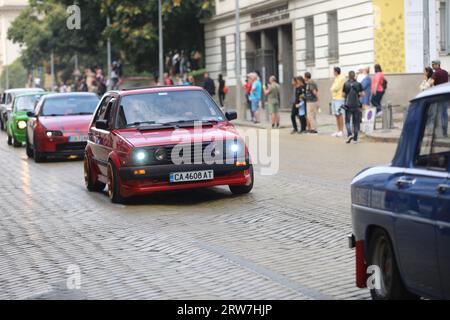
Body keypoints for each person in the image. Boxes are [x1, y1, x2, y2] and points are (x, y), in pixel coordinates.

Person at [343, 71, 364, 144]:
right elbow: (362, 94)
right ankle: (355, 139)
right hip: (356, 105)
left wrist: (347, 95)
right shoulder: (358, 84)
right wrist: (357, 94)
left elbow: (343, 95)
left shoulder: (345, 84)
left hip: (348, 105)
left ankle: (349, 134)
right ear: (354, 76)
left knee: (347, 121)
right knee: (356, 122)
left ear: (348, 76)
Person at [330, 67, 346, 137]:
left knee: (339, 114)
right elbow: (333, 87)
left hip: (339, 98)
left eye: (333, 71)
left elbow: (335, 87)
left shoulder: (341, 78)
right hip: (334, 98)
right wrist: (332, 88)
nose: (333, 73)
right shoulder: (336, 78)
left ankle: (341, 131)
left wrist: (332, 88)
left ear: (336, 72)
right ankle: (338, 130)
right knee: (336, 115)